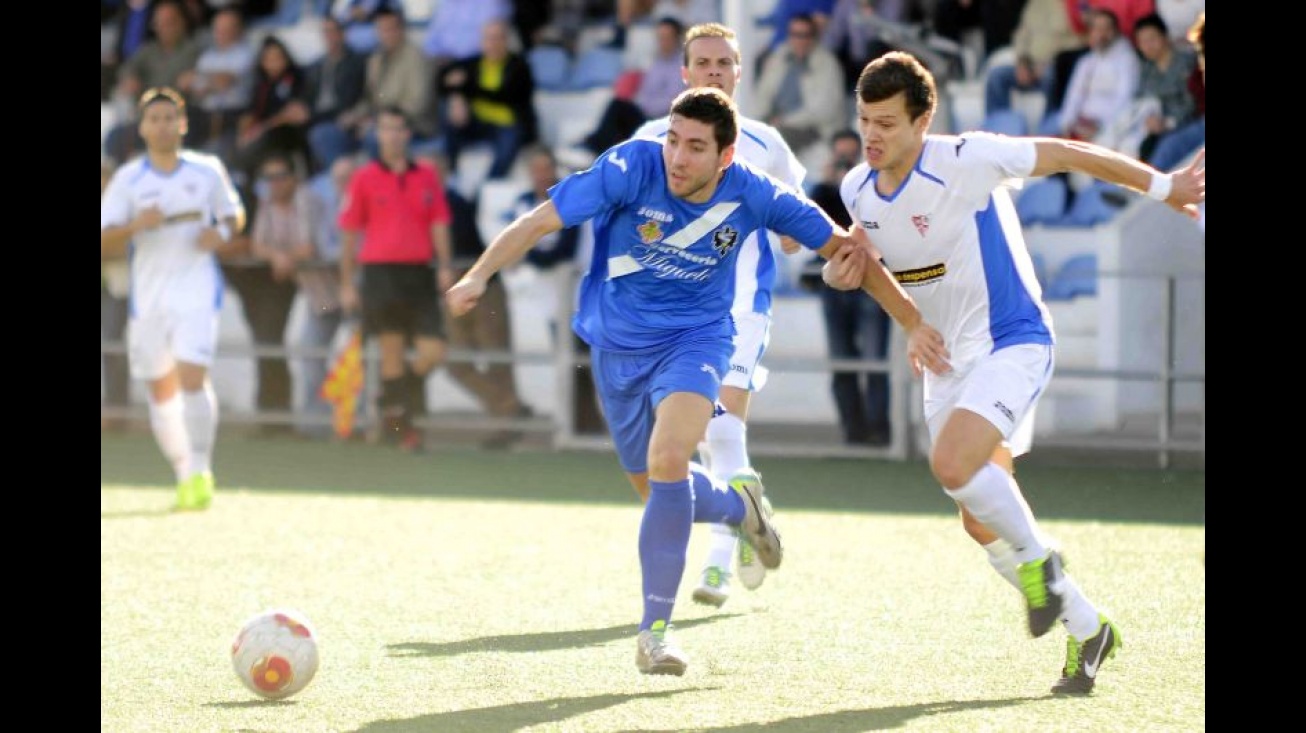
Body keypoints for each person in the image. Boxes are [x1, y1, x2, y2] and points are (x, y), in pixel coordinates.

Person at [446, 86, 869, 676]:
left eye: (695, 147)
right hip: (616, 347)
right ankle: (737, 506)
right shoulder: (628, 165)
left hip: (696, 339)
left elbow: (840, 245)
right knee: (654, 489)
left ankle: (656, 635)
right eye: (673, 140)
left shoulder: (753, 189)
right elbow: (542, 220)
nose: (677, 156)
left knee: (670, 459)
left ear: (725, 156)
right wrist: (478, 276)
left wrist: (867, 282)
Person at [822, 51, 1204, 694]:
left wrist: (1163, 188)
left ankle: (1042, 566)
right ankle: (1088, 627)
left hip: (1013, 340)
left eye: (887, 121)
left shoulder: (969, 160)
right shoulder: (858, 186)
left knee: (952, 466)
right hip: (947, 360)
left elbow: (1067, 152)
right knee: (977, 517)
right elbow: (870, 255)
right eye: (865, 119)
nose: (872, 134)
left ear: (924, 121)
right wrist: (906, 318)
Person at [630, 21, 808, 609]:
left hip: (738, 312)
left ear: (738, 71)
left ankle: (716, 565)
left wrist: (795, 236)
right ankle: (749, 520)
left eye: (724, 62)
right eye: (702, 62)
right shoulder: (652, 139)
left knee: (723, 428)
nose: (714, 70)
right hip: (667, 318)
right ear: (684, 72)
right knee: (687, 445)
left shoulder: (765, 144)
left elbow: (794, 229)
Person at [100, 86, 246, 510]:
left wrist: (219, 234)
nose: (163, 126)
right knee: (161, 391)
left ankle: (200, 470)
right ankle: (184, 470)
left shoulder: (206, 171)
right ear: (143, 128)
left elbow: (233, 213)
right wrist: (135, 227)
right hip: (147, 296)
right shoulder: (129, 179)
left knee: (192, 376)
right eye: (154, 119)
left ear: (182, 124)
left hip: (196, 287)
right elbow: (105, 237)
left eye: (170, 118)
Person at [338, 105, 454, 452]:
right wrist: (346, 282)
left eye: (399, 129)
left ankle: (389, 401)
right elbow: (349, 232)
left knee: (433, 351)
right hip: (379, 273)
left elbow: (439, 222)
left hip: (418, 273)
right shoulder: (364, 177)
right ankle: (403, 430)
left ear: (408, 134)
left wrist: (445, 265)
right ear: (378, 134)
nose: (392, 135)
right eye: (386, 128)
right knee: (391, 353)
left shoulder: (427, 175)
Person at [805, 129, 892, 447]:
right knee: (842, 358)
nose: (844, 162)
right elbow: (811, 225)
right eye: (839, 155)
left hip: (871, 281)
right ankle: (853, 432)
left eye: (849, 156)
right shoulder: (824, 191)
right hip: (835, 283)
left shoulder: (873, 186)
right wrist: (828, 184)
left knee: (875, 360)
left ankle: (880, 431)